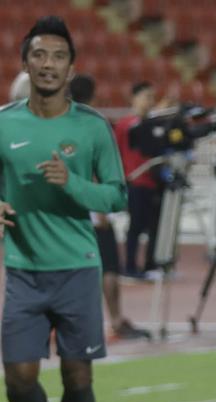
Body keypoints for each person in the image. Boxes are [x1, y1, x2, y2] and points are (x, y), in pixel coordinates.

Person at [1, 17, 127, 402]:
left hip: (76, 267)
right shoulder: (4, 123)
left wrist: (71, 184)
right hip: (23, 270)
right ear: (26, 63)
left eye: (57, 56)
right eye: (39, 55)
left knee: (78, 375)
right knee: (18, 378)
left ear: (71, 69)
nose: (48, 64)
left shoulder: (92, 128)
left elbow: (116, 196)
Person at [68, 73, 150, 341]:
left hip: (68, 208)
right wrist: (100, 211)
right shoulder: (92, 125)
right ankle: (112, 321)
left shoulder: (58, 123)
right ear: (93, 96)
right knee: (107, 269)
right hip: (92, 208)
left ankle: (70, 323)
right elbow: (93, 170)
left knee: (72, 269)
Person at [113, 80, 160, 279]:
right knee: (135, 226)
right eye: (146, 97)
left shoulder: (154, 124)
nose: (150, 102)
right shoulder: (126, 125)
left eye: (152, 98)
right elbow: (115, 153)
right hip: (135, 181)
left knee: (154, 226)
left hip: (153, 181)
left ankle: (150, 265)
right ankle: (130, 266)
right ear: (134, 98)